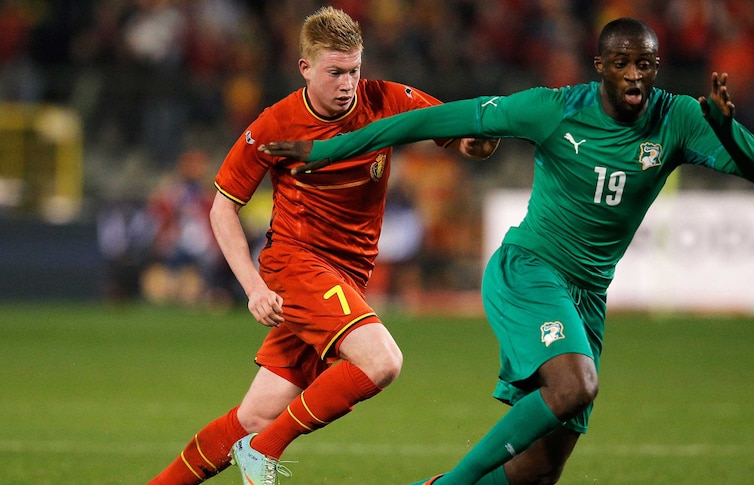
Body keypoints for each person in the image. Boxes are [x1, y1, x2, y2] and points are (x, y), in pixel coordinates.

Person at [259, 17, 754, 485]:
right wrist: (328, 148)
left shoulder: (677, 117)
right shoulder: (554, 108)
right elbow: (425, 124)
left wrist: (729, 128)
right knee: (576, 384)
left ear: (657, 68)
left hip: (589, 296)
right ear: (601, 67)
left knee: (538, 471)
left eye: (645, 65)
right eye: (621, 64)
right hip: (530, 270)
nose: (634, 76)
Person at [147, 7, 498, 485]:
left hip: (346, 278)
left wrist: (476, 143)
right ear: (305, 68)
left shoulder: (383, 99)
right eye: (335, 72)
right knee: (381, 361)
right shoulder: (275, 126)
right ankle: (263, 453)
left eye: (354, 70)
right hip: (298, 265)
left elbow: (457, 134)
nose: (347, 83)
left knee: (253, 416)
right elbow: (221, 208)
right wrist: (253, 287)